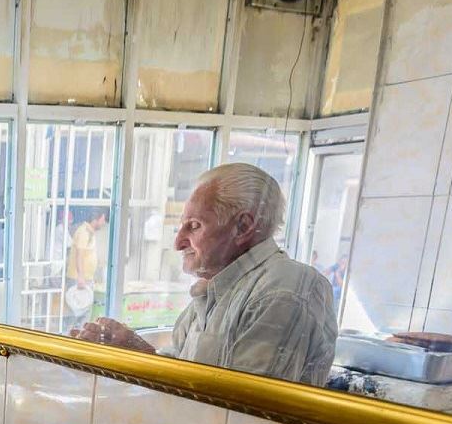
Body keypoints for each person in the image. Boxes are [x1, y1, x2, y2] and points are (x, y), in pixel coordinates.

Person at [70, 163, 337, 386]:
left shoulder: (285, 290)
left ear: (243, 226)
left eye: (194, 226)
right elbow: (182, 378)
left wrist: (140, 354)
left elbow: (241, 413)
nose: (178, 243)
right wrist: (130, 355)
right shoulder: (213, 291)